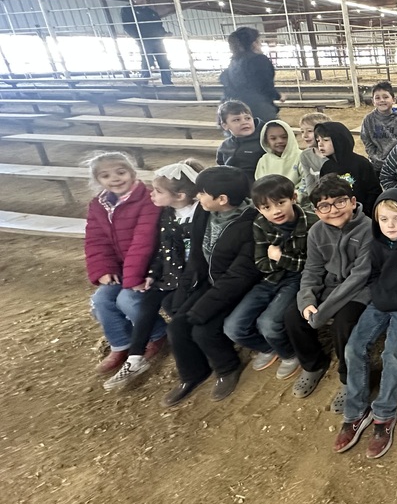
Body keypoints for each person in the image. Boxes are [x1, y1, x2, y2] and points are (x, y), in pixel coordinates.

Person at [334, 189, 397, 459]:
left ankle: (385, 415)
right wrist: (381, 298)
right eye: (384, 219)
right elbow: (373, 275)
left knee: (392, 352)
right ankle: (356, 412)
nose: (390, 225)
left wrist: (395, 301)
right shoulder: (376, 241)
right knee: (354, 347)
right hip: (381, 302)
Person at [162, 166, 261, 407]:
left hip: (237, 290)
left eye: (202, 193)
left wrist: (202, 307)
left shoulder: (250, 225)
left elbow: (240, 276)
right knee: (176, 327)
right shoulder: (205, 212)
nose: (197, 197)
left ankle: (227, 368)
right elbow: (196, 254)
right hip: (209, 283)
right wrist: (186, 291)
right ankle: (192, 374)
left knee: (203, 330)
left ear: (222, 199)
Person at [103, 159, 204, 392]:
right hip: (169, 275)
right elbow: (162, 248)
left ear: (179, 195)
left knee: (176, 308)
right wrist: (151, 273)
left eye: (157, 191)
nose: (152, 195)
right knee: (147, 306)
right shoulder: (167, 214)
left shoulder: (200, 213)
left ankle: (196, 352)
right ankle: (135, 359)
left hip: (193, 277)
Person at [285, 175, 373, 409]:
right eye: (324, 205)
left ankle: (348, 378)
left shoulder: (368, 229)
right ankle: (313, 364)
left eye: (339, 202)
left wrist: (322, 312)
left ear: (353, 202)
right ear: (316, 210)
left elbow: (360, 276)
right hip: (330, 288)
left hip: (360, 291)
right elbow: (312, 270)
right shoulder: (316, 232)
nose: (333, 210)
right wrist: (307, 301)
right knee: (293, 317)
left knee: (343, 325)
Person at [223, 174, 315, 382]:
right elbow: (261, 263)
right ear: (258, 209)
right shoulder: (260, 224)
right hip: (270, 279)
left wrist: (280, 257)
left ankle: (289, 354)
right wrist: (279, 261)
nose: (275, 211)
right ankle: (269, 347)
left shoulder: (311, 223)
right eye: (266, 208)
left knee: (269, 323)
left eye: (280, 203)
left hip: (297, 280)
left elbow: (310, 265)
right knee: (233, 328)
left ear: (294, 197)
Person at [84, 152, 165, 378]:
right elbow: (95, 240)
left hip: (150, 267)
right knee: (101, 300)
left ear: (132, 173)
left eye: (121, 172)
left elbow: (144, 242)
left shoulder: (148, 199)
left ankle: (157, 334)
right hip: (122, 269)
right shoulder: (98, 205)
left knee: (127, 299)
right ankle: (120, 344)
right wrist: (103, 270)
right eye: (106, 175)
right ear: (98, 180)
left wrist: (133, 280)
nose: (115, 179)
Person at [219, 27, 283, 124]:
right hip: (257, 110)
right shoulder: (259, 60)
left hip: (234, 112)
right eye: (259, 42)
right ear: (254, 44)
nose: (261, 45)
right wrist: (278, 96)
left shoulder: (233, 62)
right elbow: (266, 86)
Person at [314, 121, 381, 211]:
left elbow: (374, 192)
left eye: (325, 140)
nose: (320, 144)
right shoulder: (326, 167)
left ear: (339, 140)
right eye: (318, 140)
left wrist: (362, 213)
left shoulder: (361, 164)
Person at [360, 81, 397, 173]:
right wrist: (375, 156)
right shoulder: (368, 119)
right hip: (377, 163)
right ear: (373, 101)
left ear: (393, 99)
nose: (381, 100)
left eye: (385, 97)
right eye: (377, 98)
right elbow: (366, 139)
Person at [120, 0, 172, 84]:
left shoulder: (150, 11)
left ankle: (167, 83)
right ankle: (144, 82)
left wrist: (163, 33)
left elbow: (158, 24)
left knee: (163, 61)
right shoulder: (128, 10)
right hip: (145, 40)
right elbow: (128, 26)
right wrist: (138, 38)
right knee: (147, 61)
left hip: (157, 40)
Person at [215, 100, 263, 182]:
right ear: (225, 125)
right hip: (232, 185)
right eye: (237, 120)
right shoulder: (225, 146)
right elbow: (221, 165)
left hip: (258, 187)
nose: (244, 122)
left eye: (247, 118)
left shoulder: (263, 142)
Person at [296, 112, 331, 203]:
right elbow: (309, 181)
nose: (305, 135)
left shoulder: (333, 155)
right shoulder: (305, 156)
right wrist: (314, 202)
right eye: (302, 131)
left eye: (310, 131)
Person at [254, 120, 301, 184]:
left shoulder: (302, 156)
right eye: (273, 138)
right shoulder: (264, 160)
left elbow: (306, 182)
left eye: (284, 137)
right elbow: (260, 184)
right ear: (266, 141)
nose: (279, 141)